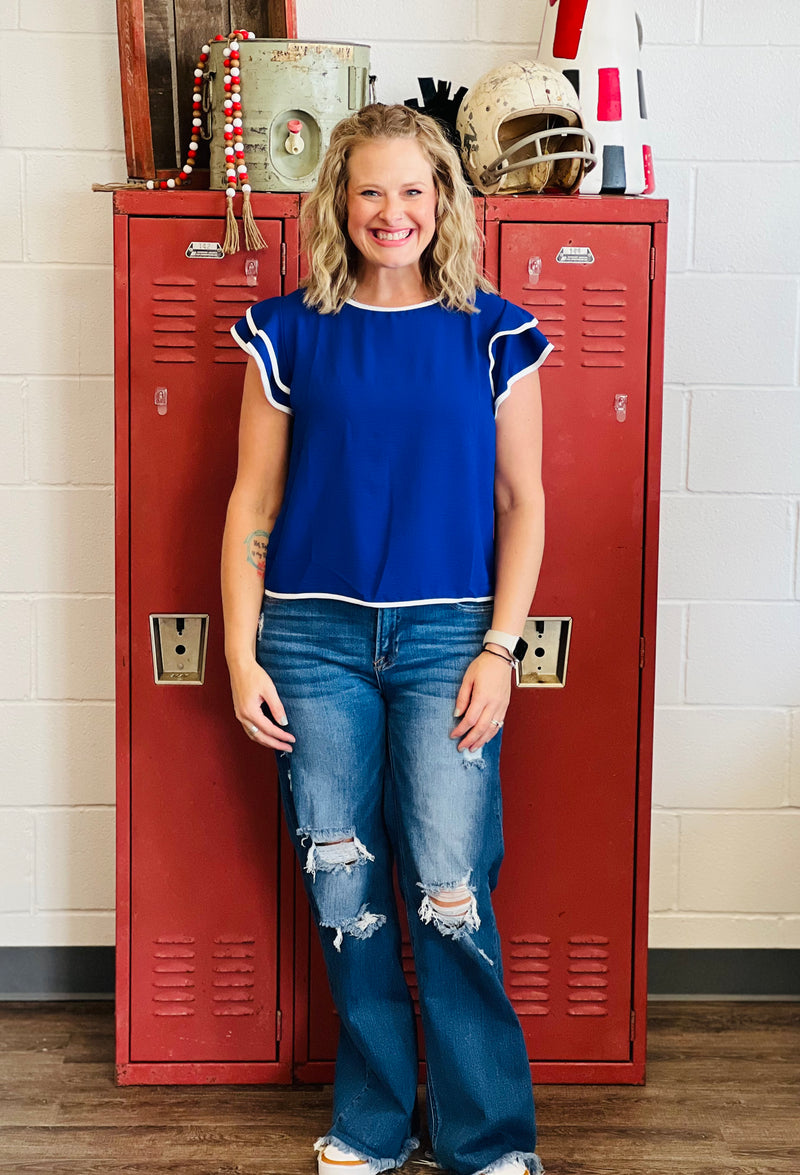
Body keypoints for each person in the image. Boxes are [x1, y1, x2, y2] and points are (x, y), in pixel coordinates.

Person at [221, 103, 553, 1175]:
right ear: (339, 201)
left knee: (449, 884)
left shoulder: (493, 331)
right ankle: (371, 1118)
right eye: (371, 189)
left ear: (443, 201)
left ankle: (484, 1134)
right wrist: (238, 652)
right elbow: (249, 505)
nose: (392, 210)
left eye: (414, 190)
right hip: (310, 642)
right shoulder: (286, 330)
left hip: (447, 637)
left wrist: (499, 647)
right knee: (343, 884)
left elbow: (524, 501)